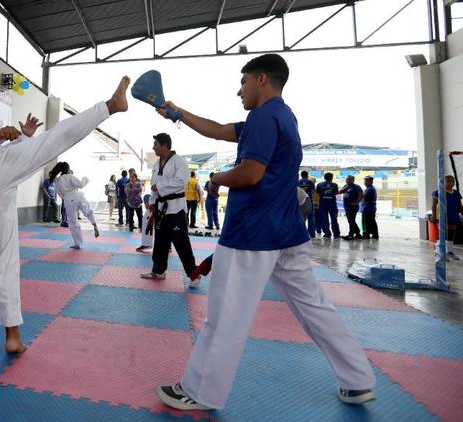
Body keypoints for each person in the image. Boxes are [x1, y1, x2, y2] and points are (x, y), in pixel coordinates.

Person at [153, 54, 376, 411]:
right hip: (286, 233)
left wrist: (216, 179)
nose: (237, 90)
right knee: (316, 309)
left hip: (251, 235)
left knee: (225, 316)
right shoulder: (282, 116)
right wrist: (178, 112)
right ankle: (358, 379)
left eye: (242, 82)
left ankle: (200, 391)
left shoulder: (263, 116)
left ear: (260, 79)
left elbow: (250, 174)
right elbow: (219, 129)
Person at [0, 77, 129, 353]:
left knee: (7, 260)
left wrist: (23, 137)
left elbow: (7, 151)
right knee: (53, 140)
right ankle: (109, 106)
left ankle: (13, 335)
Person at [141, 133, 199, 289]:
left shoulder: (179, 161)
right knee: (160, 241)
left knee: (181, 242)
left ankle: (194, 274)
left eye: (156, 144)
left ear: (165, 145)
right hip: (160, 208)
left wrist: (159, 188)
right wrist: (152, 202)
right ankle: (158, 270)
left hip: (176, 208)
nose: (153, 147)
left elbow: (181, 182)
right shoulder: (157, 163)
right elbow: (153, 183)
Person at [51, 162, 100, 248]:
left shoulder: (57, 180)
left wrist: (65, 196)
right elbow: (81, 185)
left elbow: (59, 193)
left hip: (68, 200)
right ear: (68, 169)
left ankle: (78, 243)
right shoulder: (70, 176)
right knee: (88, 211)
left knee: (73, 222)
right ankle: (95, 224)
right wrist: (86, 178)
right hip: (78, 196)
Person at [431, 175, 463, 260]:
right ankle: (438, 251)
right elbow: (434, 205)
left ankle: (449, 251)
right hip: (442, 215)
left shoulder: (456, 193)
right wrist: (434, 216)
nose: (451, 183)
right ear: (443, 182)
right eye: (448, 181)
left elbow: (460, 206)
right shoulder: (438, 192)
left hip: (453, 214)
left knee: (451, 233)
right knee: (443, 233)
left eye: (452, 181)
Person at [316, 172, 341, 239]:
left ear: (324, 177)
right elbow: (336, 193)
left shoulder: (319, 184)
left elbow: (317, 193)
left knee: (324, 219)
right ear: (332, 178)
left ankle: (327, 234)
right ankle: (336, 234)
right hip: (332, 204)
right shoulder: (335, 185)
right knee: (334, 219)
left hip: (323, 204)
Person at [339, 175, 363, 240]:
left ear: (353, 180)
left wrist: (357, 202)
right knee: (351, 221)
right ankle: (358, 234)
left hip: (353, 207)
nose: (347, 180)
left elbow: (361, 195)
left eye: (349, 179)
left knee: (351, 220)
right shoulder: (345, 186)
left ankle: (351, 235)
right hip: (346, 206)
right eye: (347, 179)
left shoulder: (356, 187)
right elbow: (340, 192)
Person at [298, 170, 316, 238]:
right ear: (307, 175)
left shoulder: (298, 182)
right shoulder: (310, 182)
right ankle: (312, 234)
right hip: (309, 201)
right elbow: (313, 191)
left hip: (300, 202)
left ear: (301, 175)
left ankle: (302, 234)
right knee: (311, 218)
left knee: (301, 218)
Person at [361, 176, 379, 240]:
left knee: (367, 222)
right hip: (369, 207)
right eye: (365, 181)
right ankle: (374, 234)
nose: (365, 183)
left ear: (371, 182)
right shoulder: (369, 188)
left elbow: (364, 197)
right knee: (371, 221)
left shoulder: (370, 189)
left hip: (368, 208)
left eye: (366, 181)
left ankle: (366, 234)